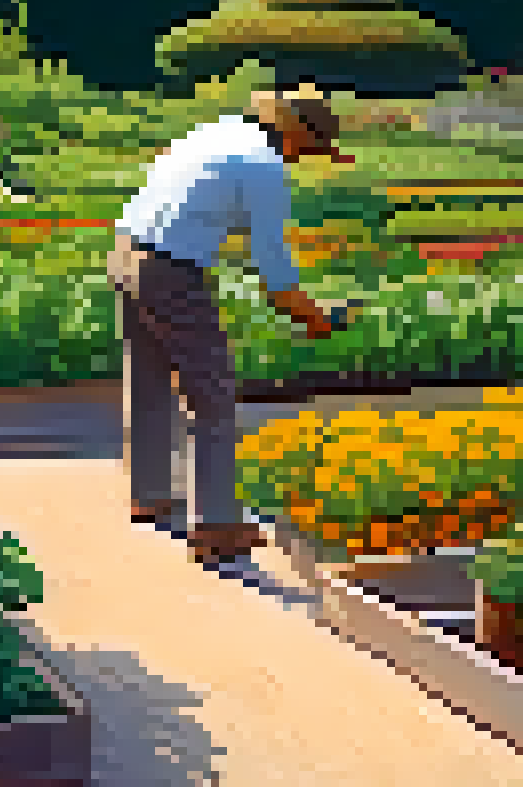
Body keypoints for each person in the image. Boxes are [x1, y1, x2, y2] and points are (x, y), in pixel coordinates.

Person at [109, 86, 349, 564]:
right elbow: (274, 269)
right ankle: (217, 527)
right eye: (312, 146)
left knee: (149, 379)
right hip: (170, 269)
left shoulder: (215, 133)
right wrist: (316, 317)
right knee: (212, 396)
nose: (308, 158)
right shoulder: (263, 164)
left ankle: (150, 494)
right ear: (295, 134)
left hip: (124, 251)